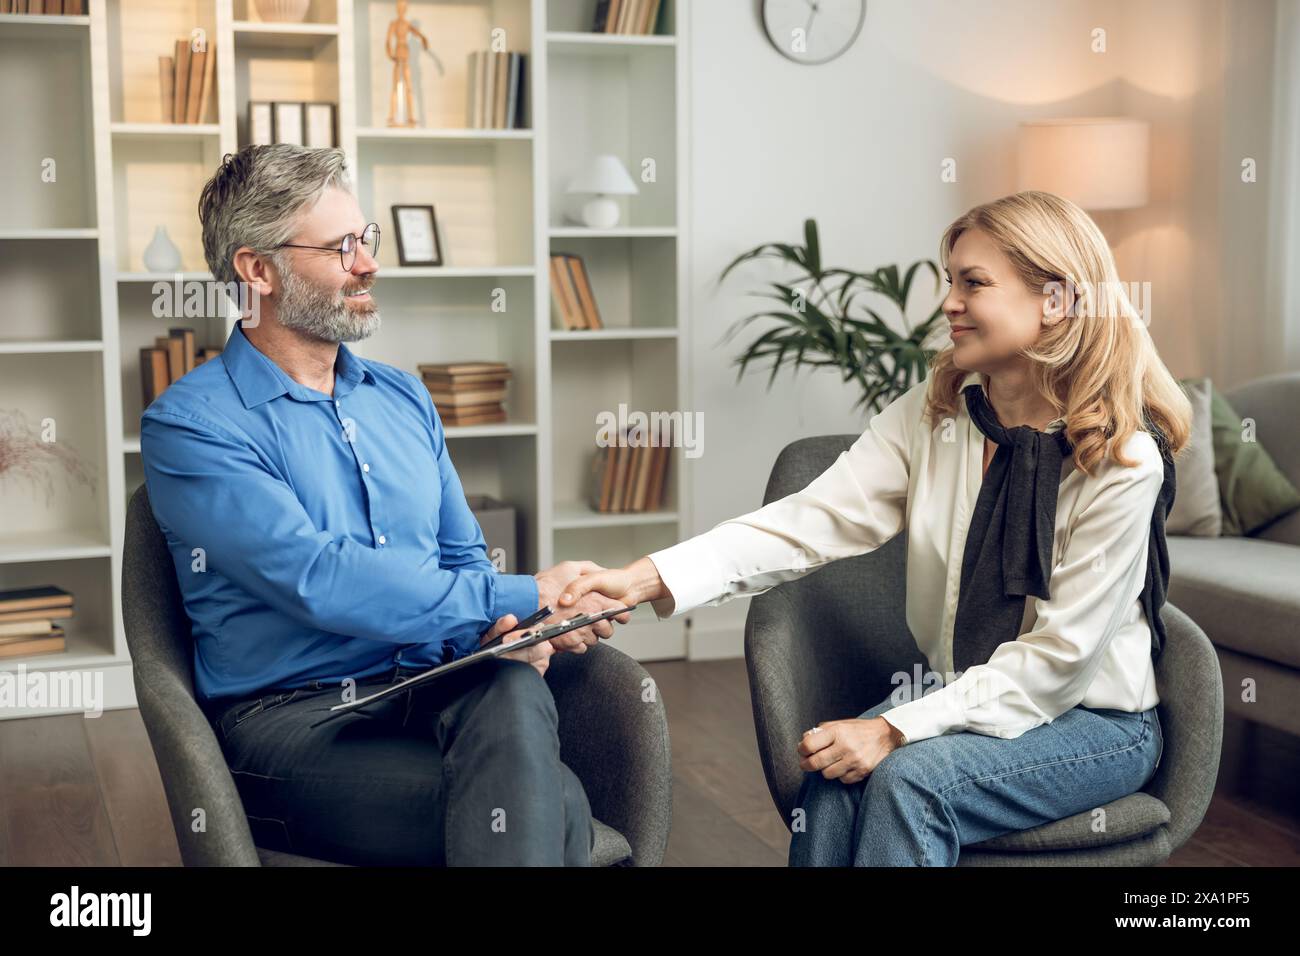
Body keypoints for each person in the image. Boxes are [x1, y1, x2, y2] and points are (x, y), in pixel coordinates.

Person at [557, 190, 1191, 866]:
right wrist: (640, 577)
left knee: (907, 781)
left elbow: (1058, 667)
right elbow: (807, 522)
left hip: (1094, 725)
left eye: (973, 283)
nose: (948, 302)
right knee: (833, 776)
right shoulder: (939, 413)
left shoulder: (1123, 460)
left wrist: (893, 727)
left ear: (1057, 301)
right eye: (951, 280)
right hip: (965, 703)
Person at [140, 143, 630, 866]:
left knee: (511, 687)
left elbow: (462, 556)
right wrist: (532, 588)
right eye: (342, 248)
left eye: (366, 239)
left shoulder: (403, 397)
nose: (369, 264)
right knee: (554, 805)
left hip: (433, 683)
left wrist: (515, 625)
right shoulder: (192, 425)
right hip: (294, 722)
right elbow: (319, 578)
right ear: (256, 270)